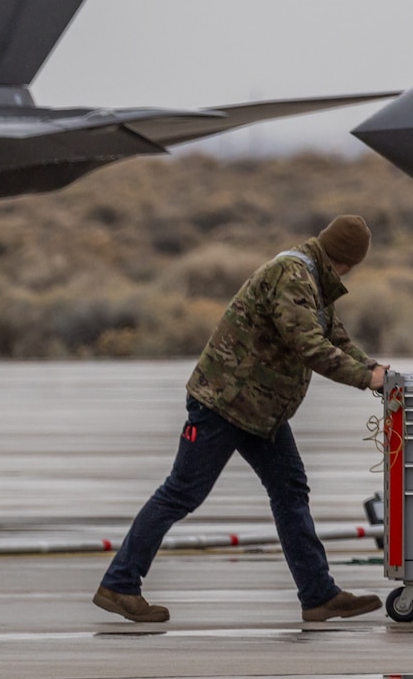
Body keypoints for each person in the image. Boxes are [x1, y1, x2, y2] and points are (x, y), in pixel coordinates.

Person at [94, 214, 389, 623]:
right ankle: (120, 584)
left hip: (259, 410)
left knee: (290, 491)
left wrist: (378, 372)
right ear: (346, 260)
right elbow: (308, 344)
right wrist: (365, 378)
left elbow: (335, 339)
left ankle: (318, 595)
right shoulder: (293, 275)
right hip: (223, 402)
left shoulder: (314, 280)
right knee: (182, 491)